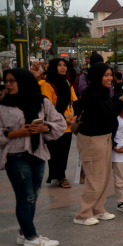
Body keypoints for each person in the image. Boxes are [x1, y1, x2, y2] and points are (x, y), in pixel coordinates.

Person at [0, 68, 66, 246]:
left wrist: (44, 128)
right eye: (6, 81)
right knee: (25, 197)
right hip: (16, 156)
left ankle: (24, 233)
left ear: (23, 82)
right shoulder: (1, 108)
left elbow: (59, 122)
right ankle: (32, 238)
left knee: (32, 197)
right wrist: (17, 133)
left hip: (37, 153)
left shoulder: (41, 102)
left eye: (11, 81)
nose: (7, 85)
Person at [74, 63, 123, 226]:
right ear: (96, 76)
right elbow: (106, 116)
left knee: (104, 175)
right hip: (92, 138)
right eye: (105, 75)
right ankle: (82, 213)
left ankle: (97, 208)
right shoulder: (91, 94)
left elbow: (109, 114)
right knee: (95, 177)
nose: (109, 78)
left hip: (104, 136)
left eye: (110, 75)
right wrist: (122, 102)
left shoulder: (104, 92)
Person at [41, 58, 77, 188]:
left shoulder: (67, 83)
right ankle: (61, 176)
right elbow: (48, 107)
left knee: (64, 152)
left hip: (68, 126)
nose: (63, 68)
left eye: (64, 65)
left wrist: (75, 116)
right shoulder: (47, 85)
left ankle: (60, 174)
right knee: (55, 152)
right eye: (59, 65)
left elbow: (75, 101)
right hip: (54, 125)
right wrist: (63, 119)